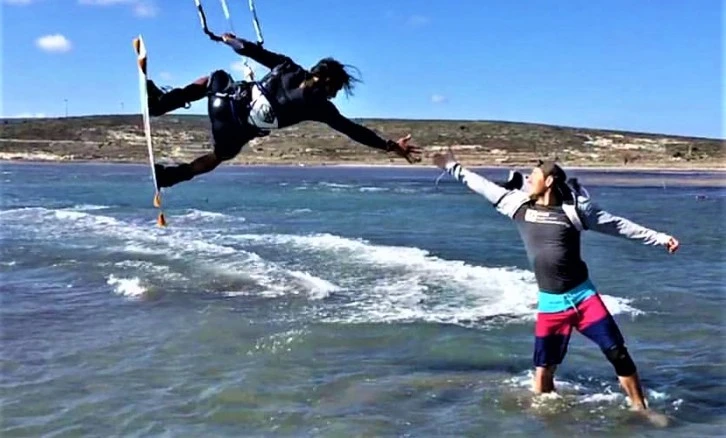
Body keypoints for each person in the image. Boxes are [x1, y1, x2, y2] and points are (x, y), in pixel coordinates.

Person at [432, 148, 679, 420]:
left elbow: (619, 226)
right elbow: (480, 185)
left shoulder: (576, 210)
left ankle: (641, 408)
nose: (527, 179)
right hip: (551, 304)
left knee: (618, 353)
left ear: (548, 181)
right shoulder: (516, 204)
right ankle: (544, 421)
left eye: (533, 176)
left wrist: (660, 238)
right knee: (544, 369)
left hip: (584, 297)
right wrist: (452, 166)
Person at [145, 33, 421, 188]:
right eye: (335, 88)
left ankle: (160, 105)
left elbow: (251, 51)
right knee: (218, 156)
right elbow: (354, 130)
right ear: (325, 80)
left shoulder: (287, 66)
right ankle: (170, 177)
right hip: (235, 130)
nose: (335, 94)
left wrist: (230, 40)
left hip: (225, 105)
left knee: (211, 79)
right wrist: (389, 147)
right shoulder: (321, 108)